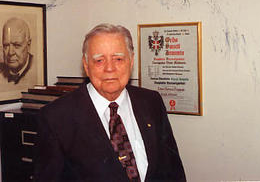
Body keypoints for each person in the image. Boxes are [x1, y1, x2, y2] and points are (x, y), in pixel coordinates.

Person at [34, 23, 186, 182]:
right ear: (86, 65)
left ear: (131, 61)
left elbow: (174, 171)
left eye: (118, 59)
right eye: (99, 60)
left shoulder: (152, 102)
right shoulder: (56, 118)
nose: (109, 69)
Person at [0, 17, 33, 84]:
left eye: (16, 45)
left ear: (28, 45)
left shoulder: (36, 68)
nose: (10, 52)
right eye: (6, 45)